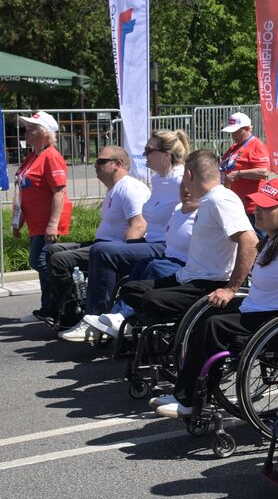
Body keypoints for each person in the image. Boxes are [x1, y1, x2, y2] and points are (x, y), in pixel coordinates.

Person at [154, 177, 278, 418]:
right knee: (208, 313)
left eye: (266, 207)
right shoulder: (274, 238)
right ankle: (192, 391)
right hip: (263, 308)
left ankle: (189, 399)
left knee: (213, 326)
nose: (257, 210)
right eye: (258, 205)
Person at [62, 130, 189, 342]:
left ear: (166, 155)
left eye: (149, 150)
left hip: (166, 245)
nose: (144, 154)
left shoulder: (180, 179)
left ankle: (95, 317)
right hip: (152, 241)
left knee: (103, 251)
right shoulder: (159, 179)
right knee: (107, 251)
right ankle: (105, 317)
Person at [121, 149, 257, 327]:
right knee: (130, 290)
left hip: (210, 282)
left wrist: (231, 288)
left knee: (150, 300)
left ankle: (177, 328)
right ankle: (164, 325)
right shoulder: (208, 200)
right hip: (187, 276)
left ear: (189, 175)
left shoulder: (221, 200)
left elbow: (250, 242)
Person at [41, 146, 149, 329]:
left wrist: (124, 255)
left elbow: (139, 226)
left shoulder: (130, 188)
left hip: (112, 249)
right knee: (53, 250)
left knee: (60, 260)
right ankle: (63, 308)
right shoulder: (114, 189)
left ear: (117, 164)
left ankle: (73, 314)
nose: (95, 165)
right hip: (102, 244)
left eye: (101, 161)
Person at [84, 180, 200, 340]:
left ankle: (125, 316)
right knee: (141, 264)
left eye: (190, 186)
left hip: (189, 264)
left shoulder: (204, 212)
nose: (185, 190)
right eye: (182, 185)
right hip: (171, 256)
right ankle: (116, 315)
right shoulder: (178, 209)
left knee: (154, 267)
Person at [15, 111, 73, 323]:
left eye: (32, 129)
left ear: (46, 132)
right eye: (26, 129)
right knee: (43, 266)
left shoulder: (51, 156)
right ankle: (48, 309)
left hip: (47, 223)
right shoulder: (33, 156)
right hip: (35, 223)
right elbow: (24, 189)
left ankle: (70, 295)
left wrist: (53, 224)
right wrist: (18, 220)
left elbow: (59, 191)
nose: (26, 133)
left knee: (40, 262)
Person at [219, 111, 271, 223]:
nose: (233, 136)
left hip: (251, 207)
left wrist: (238, 174)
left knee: (256, 234)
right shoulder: (235, 147)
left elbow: (264, 171)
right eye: (232, 132)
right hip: (236, 205)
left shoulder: (257, 146)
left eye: (236, 132)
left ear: (248, 129)